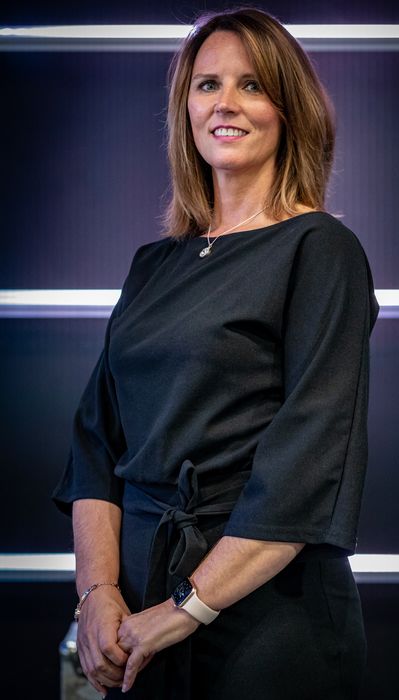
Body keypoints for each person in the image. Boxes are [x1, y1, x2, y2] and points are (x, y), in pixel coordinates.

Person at [53, 7, 380, 699]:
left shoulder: (320, 249)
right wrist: (97, 593)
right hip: (134, 619)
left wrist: (184, 610)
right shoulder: (152, 264)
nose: (226, 103)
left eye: (252, 85)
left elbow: (307, 464)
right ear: (186, 109)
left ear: (289, 110)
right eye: (208, 85)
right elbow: (95, 445)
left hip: (264, 622)